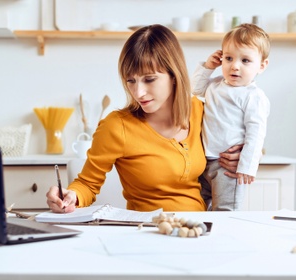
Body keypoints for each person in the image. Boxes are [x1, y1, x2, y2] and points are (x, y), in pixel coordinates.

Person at [46, 24, 241, 213]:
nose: (138, 92)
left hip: (197, 230)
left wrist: (242, 156)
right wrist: (70, 196)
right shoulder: (116, 126)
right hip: (146, 232)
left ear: (174, 75)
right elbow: (87, 184)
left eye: (149, 79)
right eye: (131, 80)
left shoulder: (202, 112)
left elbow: (242, 138)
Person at [192, 23, 270, 211]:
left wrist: (247, 166)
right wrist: (208, 67)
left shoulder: (253, 96)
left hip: (228, 167)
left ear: (261, 65)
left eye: (245, 61)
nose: (235, 66)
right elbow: (194, 89)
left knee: (225, 211)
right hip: (203, 161)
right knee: (197, 209)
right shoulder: (214, 85)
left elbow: (256, 133)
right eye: (228, 58)